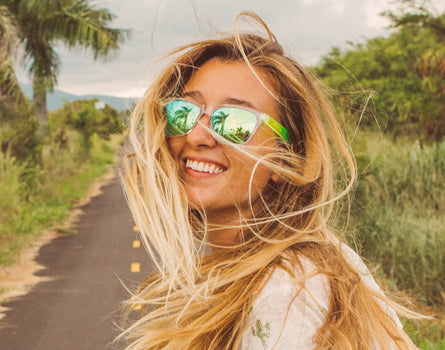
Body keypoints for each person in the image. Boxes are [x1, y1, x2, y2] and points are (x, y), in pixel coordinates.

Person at [120, 11, 419, 350]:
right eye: (183, 112)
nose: (197, 136)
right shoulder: (275, 269)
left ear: (283, 156)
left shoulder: (292, 290)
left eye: (233, 121)